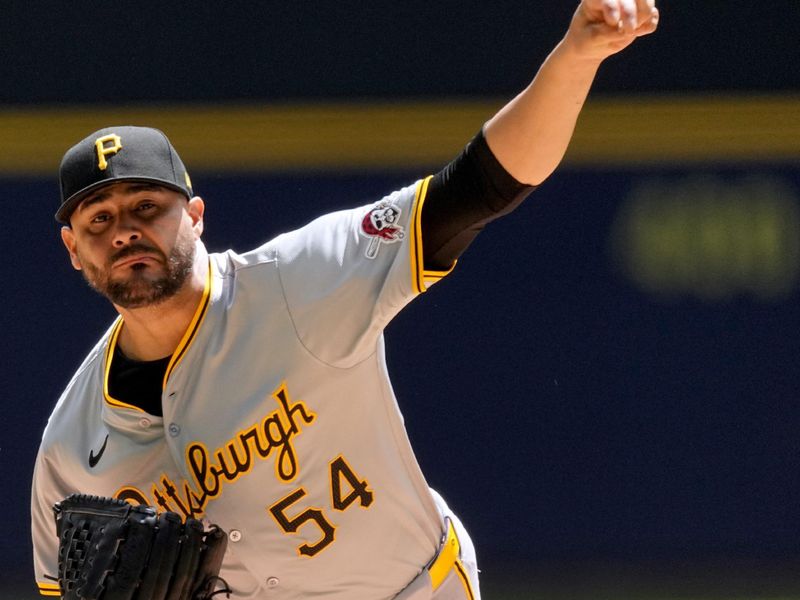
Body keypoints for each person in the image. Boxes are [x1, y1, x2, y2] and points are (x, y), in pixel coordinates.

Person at [31, 2, 659, 598]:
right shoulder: (72, 445)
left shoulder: (298, 281)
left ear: (194, 215)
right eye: (99, 220)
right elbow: (58, 584)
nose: (124, 232)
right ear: (72, 250)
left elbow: (478, 188)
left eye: (147, 207)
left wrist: (578, 56)